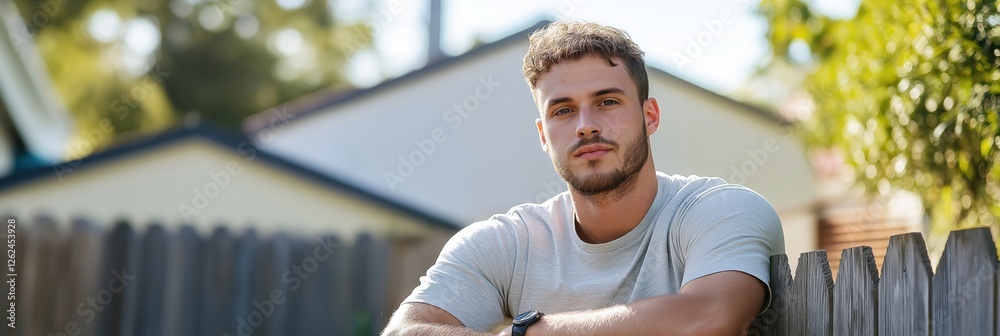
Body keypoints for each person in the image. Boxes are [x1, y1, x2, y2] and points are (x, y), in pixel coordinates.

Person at [381, 21, 785, 336]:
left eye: (607, 102)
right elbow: (405, 330)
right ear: (543, 135)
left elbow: (710, 320)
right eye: (563, 111)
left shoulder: (720, 210)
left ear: (650, 116)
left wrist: (532, 331)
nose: (586, 126)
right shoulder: (510, 244)